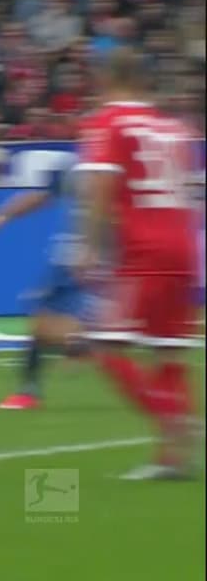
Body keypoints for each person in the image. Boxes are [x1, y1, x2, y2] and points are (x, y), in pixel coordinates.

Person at [76, 47, 201, 481]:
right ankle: (172, 459)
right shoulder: (176, 129)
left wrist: (87, 246)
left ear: (105, 78)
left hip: (143, 252)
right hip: (184, 247)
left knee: (107, 347)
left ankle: (173, 420)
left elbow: (100, 190)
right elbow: (188, 191)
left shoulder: (109, 122)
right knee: (169, 354)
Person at [0, 158, 96, 410]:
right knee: (40, 325)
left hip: (89, 257)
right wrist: (0, 216)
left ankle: (87, 344)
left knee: (47, 325)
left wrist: (95, 248)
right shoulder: (74, 167)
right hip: (65, 257)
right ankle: (30, 391)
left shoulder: (111, 169)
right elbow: (42, 195)